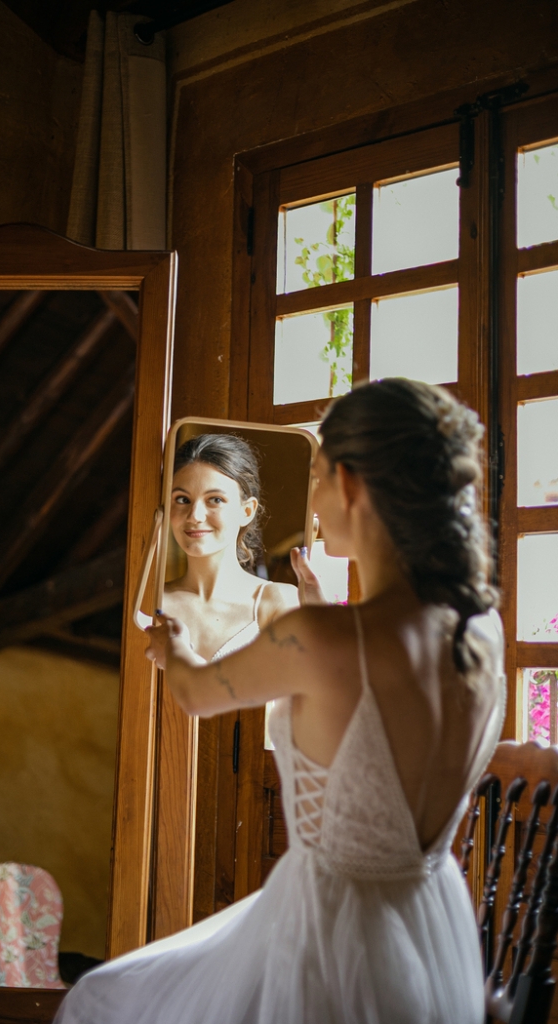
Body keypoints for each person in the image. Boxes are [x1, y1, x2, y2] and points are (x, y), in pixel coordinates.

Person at [55, 379, 505, 1024]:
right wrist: (320, 607)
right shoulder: (478, 628)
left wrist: (173, 646)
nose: (314, 501)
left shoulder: (317, 636)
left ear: (348, 486)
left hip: (330, 934)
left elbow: (192, 693)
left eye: (317, 477)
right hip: (434, 922)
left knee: (103, 1001)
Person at [160, 432, 299, 663]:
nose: (194, 516)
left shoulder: (277, 602)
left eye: (215, 499)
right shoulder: (153, 603)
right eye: (182, 499)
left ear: (247, 511)